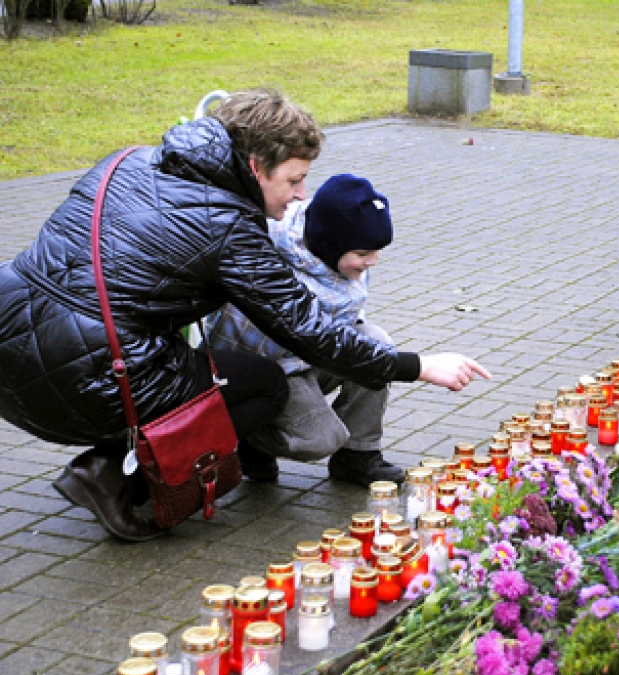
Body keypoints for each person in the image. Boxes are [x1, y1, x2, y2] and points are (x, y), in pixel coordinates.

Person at [0, 89, 489, 542]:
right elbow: (310, 332)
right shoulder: (230, 227)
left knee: (212, 368)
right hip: (85, 378)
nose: (302, 194)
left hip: (10, 345)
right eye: (293, 180)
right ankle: (114, 474)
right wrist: (418, 366)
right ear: (255, 168)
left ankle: (130, 456)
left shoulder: (126, 161)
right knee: (263, 385)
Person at [207, 174, 405, 486]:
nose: (373, 261)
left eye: (376, 251)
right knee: (322, 438)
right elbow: (305, 337)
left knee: (377, 344)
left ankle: (357, 455)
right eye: (363, 254)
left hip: (309, 352)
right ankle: (249, 439)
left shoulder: (337, 257)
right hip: (271, 367)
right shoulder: (273, 262)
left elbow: (338, 332)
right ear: (330, 244)